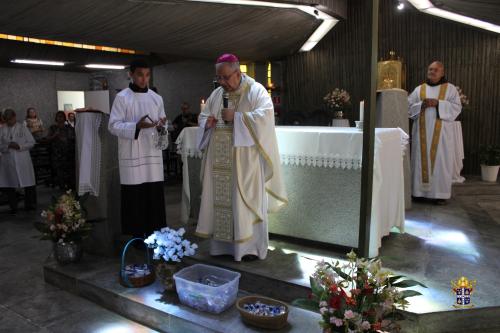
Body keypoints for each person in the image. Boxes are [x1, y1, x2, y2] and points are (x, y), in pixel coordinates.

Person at [195, 54, 287, 261]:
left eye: (226, 77)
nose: (222, 82)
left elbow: (266, 117)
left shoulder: (256, 91)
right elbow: (203, 115)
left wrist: (237, 118)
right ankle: (222, 248)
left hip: (246, 164)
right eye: (219, 78)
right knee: (223, 204)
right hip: (219, 163)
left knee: (243, 204)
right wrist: (206, 122)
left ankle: (249, 250)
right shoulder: (217, 94)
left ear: (238, 73)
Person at [108, 59, 167, 238]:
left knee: (153, 198)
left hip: (152, 155)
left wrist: (161, 126)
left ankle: (157, 238)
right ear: (131, 74)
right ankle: (136, 240)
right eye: (140, 74)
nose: (144, 79)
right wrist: (136, 126)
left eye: (147, 75)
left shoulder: (156, 98)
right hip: (132, 154)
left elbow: (164, 124)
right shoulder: (122, 97)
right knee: (135, 199)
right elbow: (113, 125)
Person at [408, 61, 462, 205]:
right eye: (430, 69)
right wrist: (422, 104)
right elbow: (408, 107)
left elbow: (457, 107)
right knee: (420, 160)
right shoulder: (419, 89)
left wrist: (439, 103)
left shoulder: (450, 89)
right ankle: (418, 193)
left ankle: (440, 194)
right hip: (421, 133)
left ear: (442, 73)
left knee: (441, 161)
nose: (432, 72)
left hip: (442, 135)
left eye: (435, 70)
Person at [0, 109, 37, 213]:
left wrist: (20, 146)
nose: (9, 121)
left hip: (22, 159)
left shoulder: (22, 128)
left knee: (28, 183)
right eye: (6, 119)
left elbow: (31, 142)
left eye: (10, 119)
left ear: (14, 117)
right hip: (8, 160)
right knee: (9, 184)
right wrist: (7, 146)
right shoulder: (2, 129)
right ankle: (13, 206)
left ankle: (29, 205)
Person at [46, 111, 76, 190]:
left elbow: (74, 138)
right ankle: (62, 189)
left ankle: (71, 189)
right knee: (60, 173)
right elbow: (47, 139)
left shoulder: (69, 128)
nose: (60, 118)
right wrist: (54, 136)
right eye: (58, 116)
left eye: (61, 116)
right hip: (57, 155)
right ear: (56, 118)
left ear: (64, 118)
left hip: (69, 154)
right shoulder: (53, 128)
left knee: (70, 173)